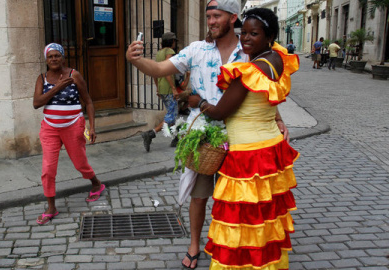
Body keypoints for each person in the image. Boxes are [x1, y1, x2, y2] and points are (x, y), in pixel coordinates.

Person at [126, 1, 289, 268]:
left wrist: (278, 119)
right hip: (202, 137)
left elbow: (263, 93)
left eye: (217, 16)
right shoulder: (197, 50)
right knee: (199, 195)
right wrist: (135, 60)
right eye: (208, 17)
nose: (211, 21)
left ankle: (236, 246)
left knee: (237, 200)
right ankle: (194, 244)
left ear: (232, 17)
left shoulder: (249, 48)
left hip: (239, 140)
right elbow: (159, 69)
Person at [187, 7, 299, 269]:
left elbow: (218, 112)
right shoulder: (276, 58)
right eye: (243, 32)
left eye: (254, 34)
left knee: (240, 221)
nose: (245, 38)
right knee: (263, 217)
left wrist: (197, 101)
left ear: (269, 35)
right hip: (269, 150)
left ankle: (243, 264)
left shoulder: (248, 72)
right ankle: (263, 262)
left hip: (247, 155)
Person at [33, 43, 105, 225]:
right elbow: (36, 103)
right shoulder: (42, 78)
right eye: (50, 57)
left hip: (73, 125)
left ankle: (96, 183)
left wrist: (92, 127)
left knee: (80, 163)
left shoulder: (74, 75)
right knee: (48, 169)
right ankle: (51, 208)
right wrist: (57, 87)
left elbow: (88, 101)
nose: (54, 59)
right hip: (50, 128)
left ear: (63, 57)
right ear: (46, 60)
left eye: (57, 55)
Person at [140, 32, 180, 151]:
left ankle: (176, 137)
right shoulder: (169, 52)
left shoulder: (159, 54)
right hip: (168, 87)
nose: (175, 43)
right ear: (171, 41)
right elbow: (167, 70)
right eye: (174, 41)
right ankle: (151, 133)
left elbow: (155, 72)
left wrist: (157, 87)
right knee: (171, 114)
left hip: (162, 87)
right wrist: (173, 88)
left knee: (172, 112)